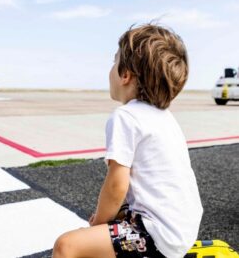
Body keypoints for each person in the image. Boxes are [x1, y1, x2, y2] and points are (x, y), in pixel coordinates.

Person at [52, 24, 203, 258]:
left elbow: (116, 186)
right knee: (114, 221)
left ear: (125, 75)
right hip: (181, 228)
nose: (111, 69)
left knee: (67, 246)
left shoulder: (126, 116)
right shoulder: (165, 118)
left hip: (157, 235)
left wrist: (99, 224)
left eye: (115, 62)